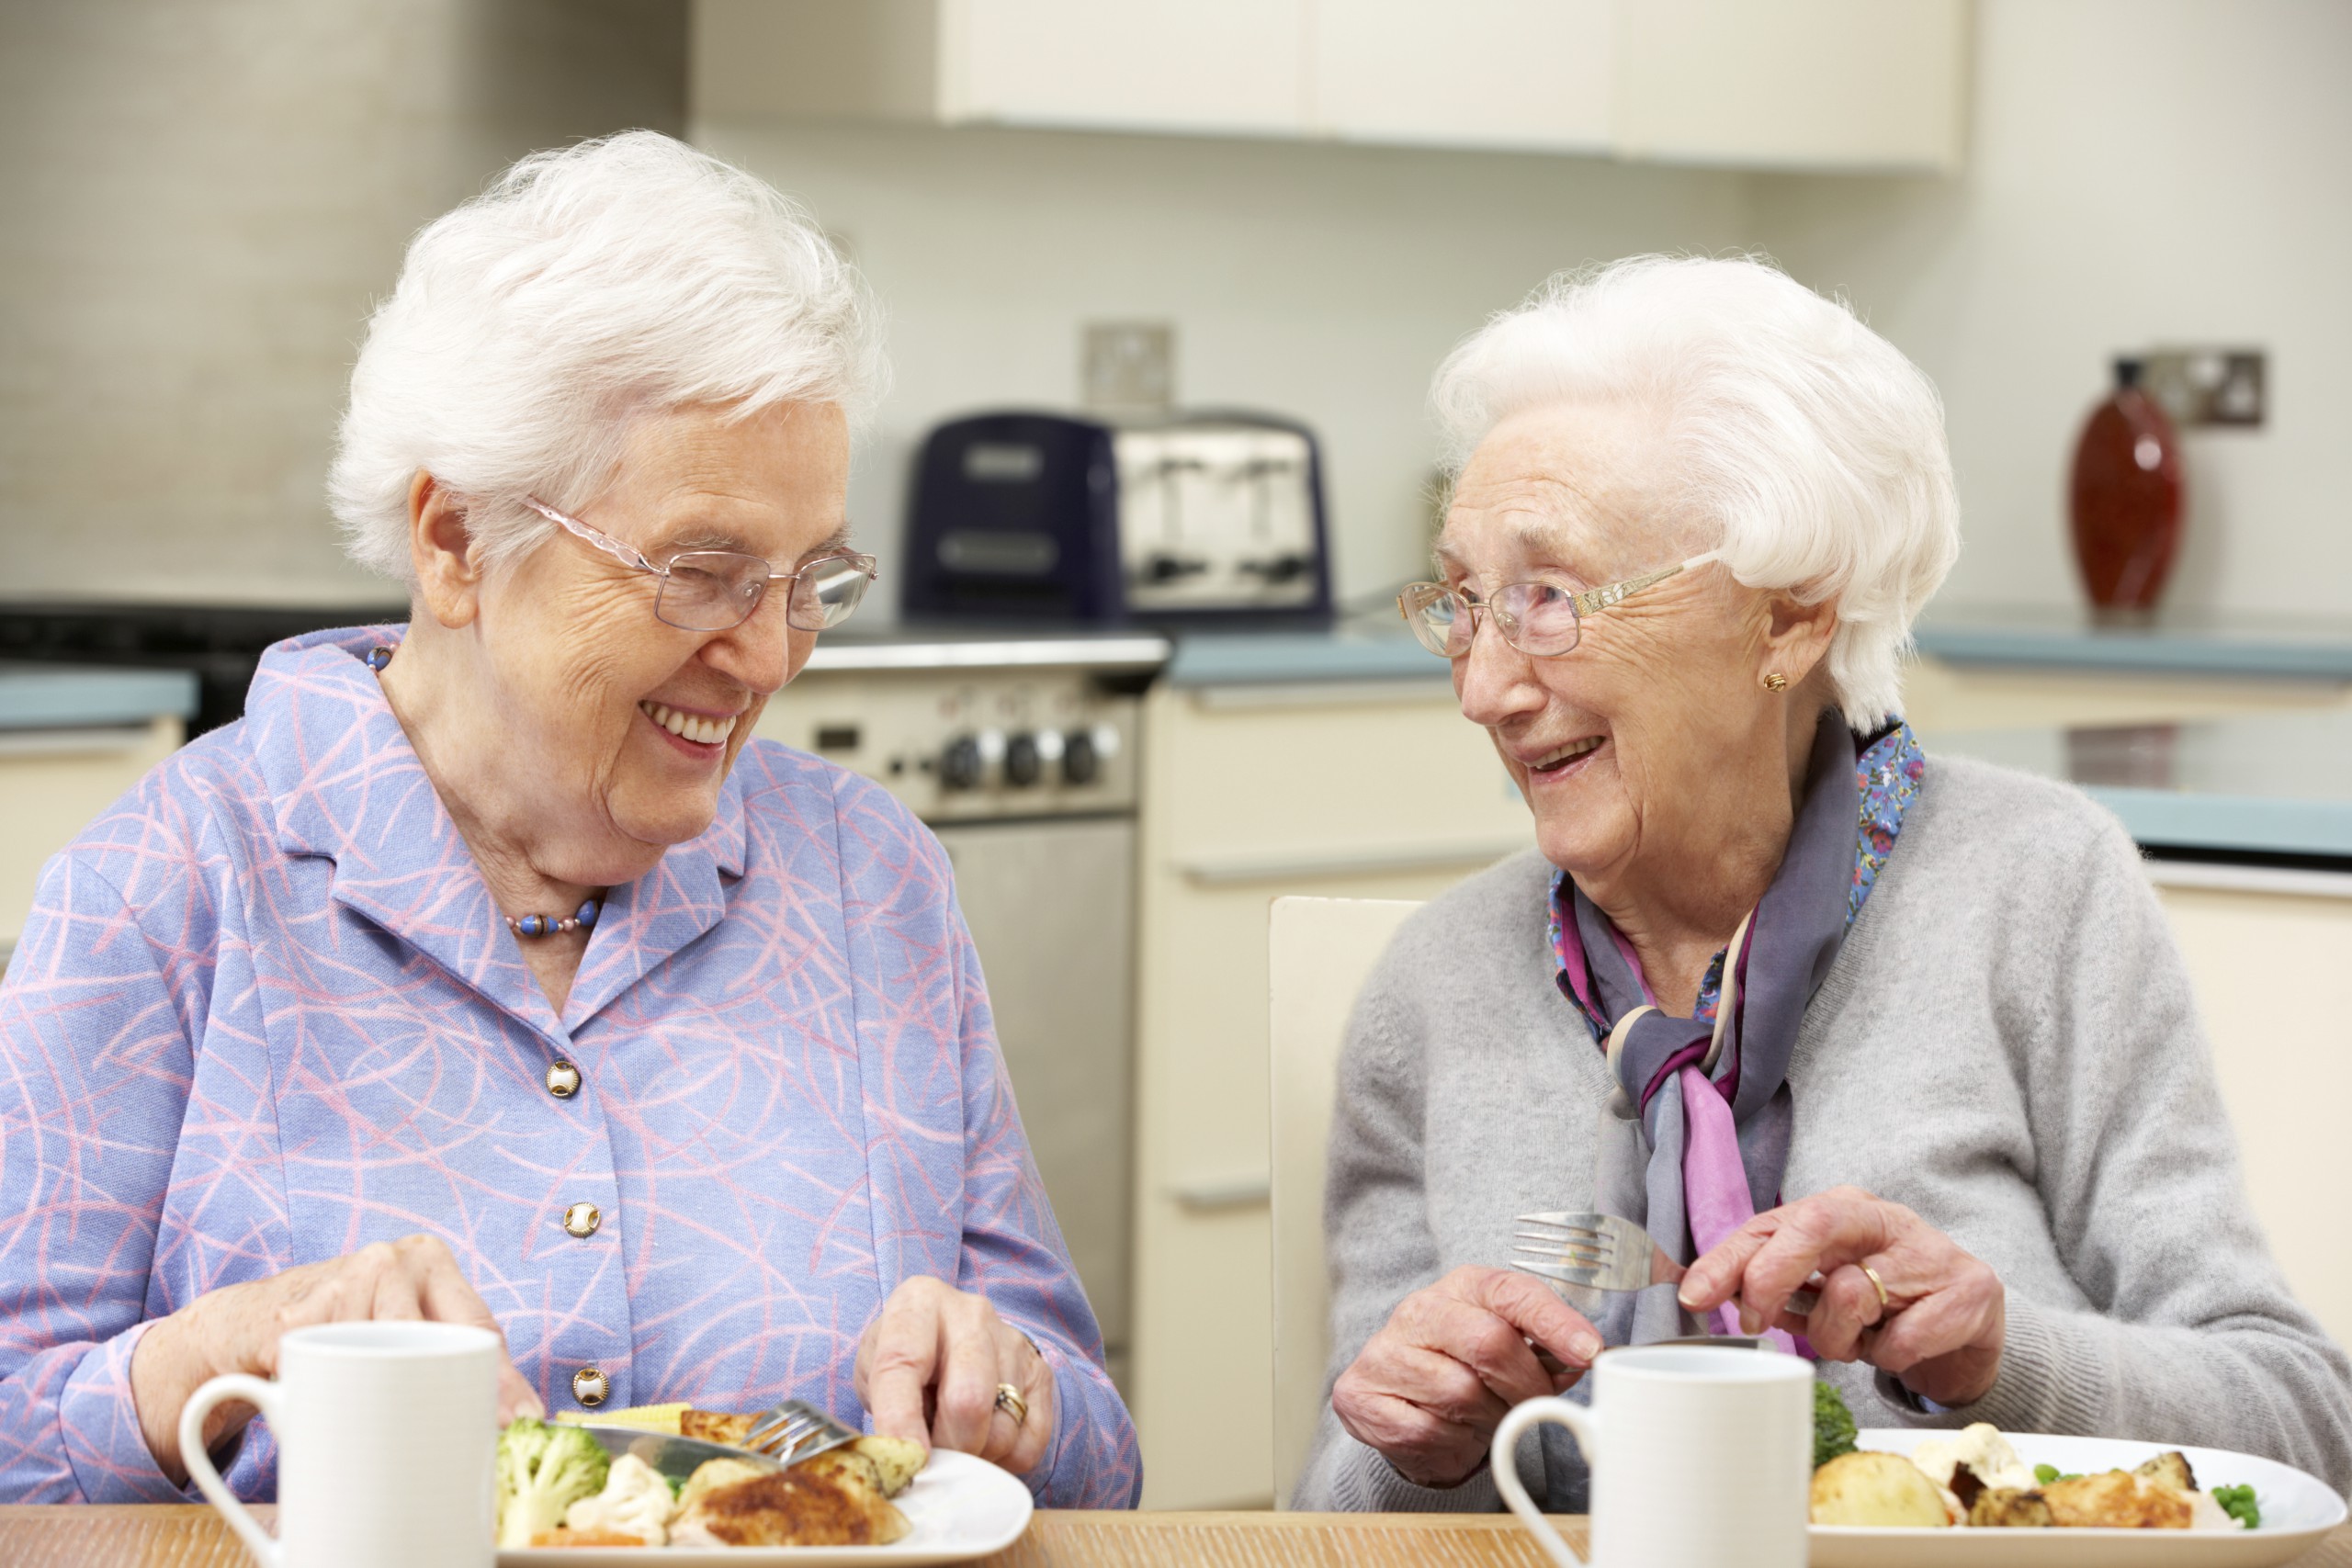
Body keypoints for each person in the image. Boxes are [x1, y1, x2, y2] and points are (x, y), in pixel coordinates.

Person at [0, 132, 1138, 1508]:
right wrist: (221, 1352)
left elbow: (1096, 1454)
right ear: (458, 542)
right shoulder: (164, 889)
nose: (771, 657)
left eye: (810, 579)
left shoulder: (869, 879)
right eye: (705, 572)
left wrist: (1004, 1388)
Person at [1294, 255, 2352, 1511]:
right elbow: (1334, 1509)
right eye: (1466, 604)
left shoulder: (2035, 890)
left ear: (1789, 620)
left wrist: (2002, 1357)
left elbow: (2304, 1424)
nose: (1484, 687)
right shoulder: (1436, 985)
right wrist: (1423, 1443)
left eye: (1548, 597)